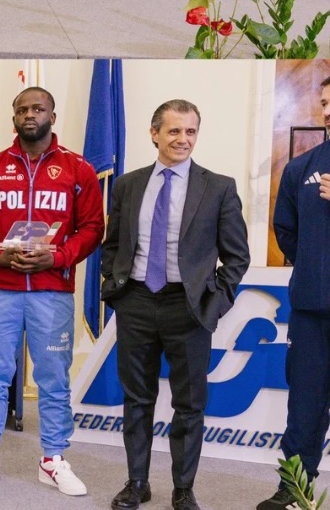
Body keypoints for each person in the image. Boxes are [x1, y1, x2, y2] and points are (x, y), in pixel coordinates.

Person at [101, 100, 249, 510]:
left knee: (189, 405)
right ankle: (136, 482)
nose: (183, 139)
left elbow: (237, 257)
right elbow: (112, 245)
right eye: (173, 131)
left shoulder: (218, 187)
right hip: (136, 302)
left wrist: (214, 302)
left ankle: (183, 488)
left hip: (189, 307)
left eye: (190, 132)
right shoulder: (129, 185)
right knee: (137, 399)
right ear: (155, 134)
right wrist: (115, 286)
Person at [0, 87, 104, 495]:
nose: (29, 114)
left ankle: (53, 458)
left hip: (51, 291)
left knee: (54, 378)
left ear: (52, 117)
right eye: (22, 109)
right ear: (14, 119)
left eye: (38, 108)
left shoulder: (78, 170)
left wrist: (57, 258)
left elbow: (93, 228)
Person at [256, 76, 330, 510]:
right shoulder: (302, 168)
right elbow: (286, 231)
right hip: (311, 310)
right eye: (324, 102)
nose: (328, 110)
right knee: (304, 408)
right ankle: (295, 488)